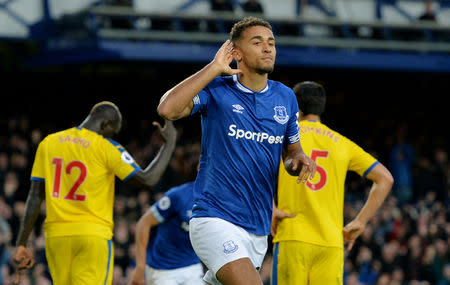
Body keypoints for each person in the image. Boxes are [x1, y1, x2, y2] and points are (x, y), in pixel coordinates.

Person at [157, 16, 316, 285]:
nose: (268, 48)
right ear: (236, 53)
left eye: (271, 42)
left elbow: (292, 152)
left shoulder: (285, 97)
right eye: (257, 42)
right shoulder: (218, 90)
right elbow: (167, 109)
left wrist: (298, 160)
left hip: (257, 228)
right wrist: (214, 67)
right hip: (215, 219)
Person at [12, 101, 177, 285]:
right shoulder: (106, 147)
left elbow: (35, 196)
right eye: (113, 132)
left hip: (56, 237)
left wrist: (21, 243)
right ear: (106, 124)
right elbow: (148, 179)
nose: (112, 136)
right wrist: (169, 144)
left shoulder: (49, 143)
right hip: (93, 236)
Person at [271, 81, 394, 285]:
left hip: (293, 236)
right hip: (331, 242)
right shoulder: (341, 143)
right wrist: (360, 221)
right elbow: (385, 178)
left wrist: (271, 207)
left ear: (296, 108)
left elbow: (255, 169)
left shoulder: (284, 135)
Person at [128, 165, 203, 285]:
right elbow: (144, 223)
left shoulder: (220, 200)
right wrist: (140, 267)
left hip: (193, 265)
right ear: (200, 168)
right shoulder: (178, 196)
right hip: (163, 269)